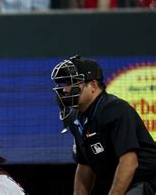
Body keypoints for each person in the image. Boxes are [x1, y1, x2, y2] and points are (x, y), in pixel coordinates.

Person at [51, 55, 156, 195]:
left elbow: (129, 162)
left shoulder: (115, 110)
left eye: (73, 82)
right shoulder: (78, 118)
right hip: (123, 184)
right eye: (64, 84)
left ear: (93, 86)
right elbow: (84, 167)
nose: (65, 89)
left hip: (148, 181)